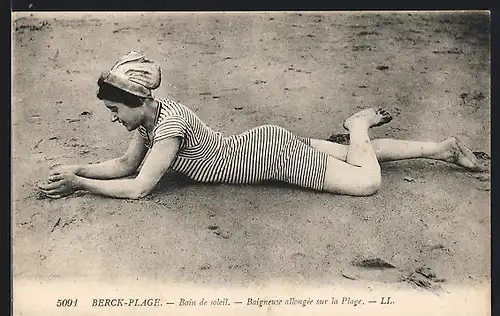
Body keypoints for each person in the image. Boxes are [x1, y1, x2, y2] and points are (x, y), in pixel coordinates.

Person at [38, 51, 486, 200]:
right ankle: (443, 148)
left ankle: (359, 125)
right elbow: (123, 166)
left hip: (273, 158)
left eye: (116, 109)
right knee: (353, 160)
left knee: (366, 181)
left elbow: (139, 188)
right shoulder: (148, 123)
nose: (114, 118)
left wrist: (79, 183)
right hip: (262, 143)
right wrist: (76, 170)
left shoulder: (167, 127)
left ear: (137, 100)